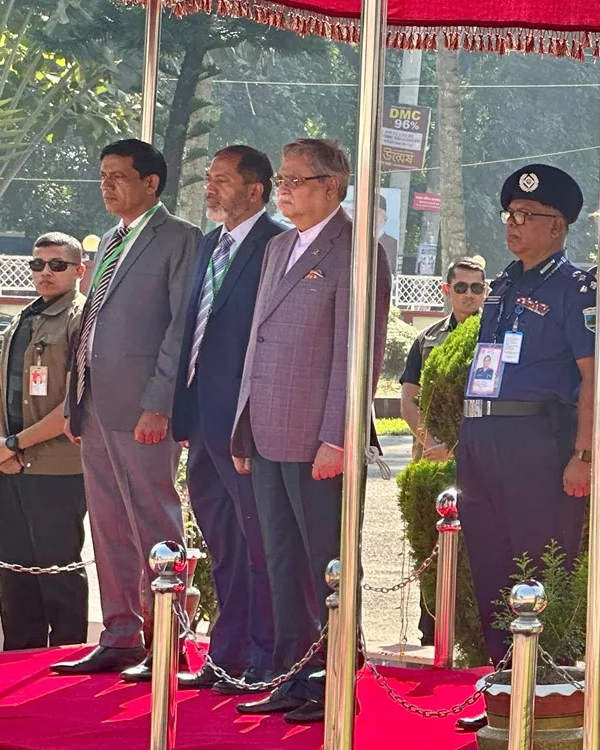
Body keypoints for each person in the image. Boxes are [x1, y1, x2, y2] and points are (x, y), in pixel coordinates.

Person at [231, 138, 391, 724]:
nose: (284, 190)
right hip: (269, 431)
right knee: (283, 562)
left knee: (329, 561)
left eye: (296, 180)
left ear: (333, 185)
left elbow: (358, 356)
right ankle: (293, 673)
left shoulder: (356, 251)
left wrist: (338, 436)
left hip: (318, 439)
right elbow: (259, 341)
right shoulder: (277, 247)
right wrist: (243, 427)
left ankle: (335, 677)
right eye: (281, 180)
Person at [51, 139, 201, 678]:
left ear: (151, 183)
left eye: (118, 175)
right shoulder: (112, 240)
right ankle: (120, 634)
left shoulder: (180, 238)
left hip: (143, 408)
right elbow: (91, 327)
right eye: (103, 175)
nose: (107, 184)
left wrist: (160, 401)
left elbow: (181, 328)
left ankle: (168, 636)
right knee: (109, 523)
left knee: (153, 519)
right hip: (94, 406)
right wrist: (75, 400)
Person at [455, 164, 595, 732]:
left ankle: (550, 690)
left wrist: (582, 454)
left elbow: (592, 377)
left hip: (539, 440)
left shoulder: (576, 288)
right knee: (489, 563)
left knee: (538, 564)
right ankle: (504, 687)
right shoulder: (504, 284)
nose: (513, 225)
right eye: (509, 214)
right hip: (482, 438)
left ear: (558, 225)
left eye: (527, 216)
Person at [171, 145, 285, 692]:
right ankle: (227, 654)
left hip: (246, 426)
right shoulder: (210, 243)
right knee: (222, 545)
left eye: (221, 180)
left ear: (256, 190)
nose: (210, 188)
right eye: (208, 179)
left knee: (259, 545)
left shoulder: (276, 245)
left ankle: (265, 657)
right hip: (199, 419)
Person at [0, 232, 88, 651]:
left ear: (79, 271)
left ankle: (66, 662)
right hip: (13, 464)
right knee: (15, 575)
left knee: (58, 574)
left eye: (57, 265)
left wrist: (14, 443)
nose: (45, 272)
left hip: (57, 470)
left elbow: (73, 405)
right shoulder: (24, 317)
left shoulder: (80, 319)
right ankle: (20, 657)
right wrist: (0, 445)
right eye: (38, 264)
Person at [398, 256, 486, 645]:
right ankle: (432, 629)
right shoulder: (428, 339)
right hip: (434, 461)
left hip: (483, 460)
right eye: (462, 287)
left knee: (481, 549)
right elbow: (408, 398)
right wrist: (430, 441)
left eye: (477, 288)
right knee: (433, 545)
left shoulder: (496, 337)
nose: (470, 295)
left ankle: (478, 634)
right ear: (446, 290)